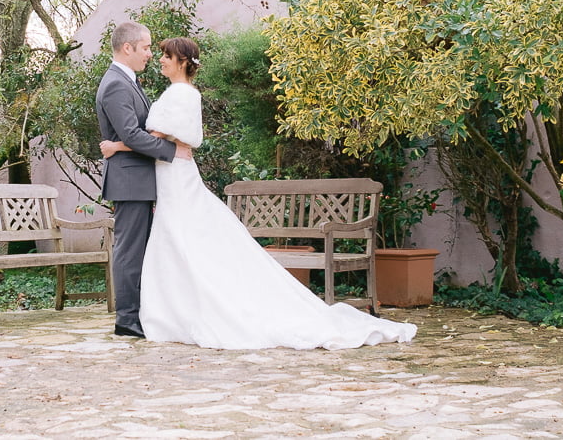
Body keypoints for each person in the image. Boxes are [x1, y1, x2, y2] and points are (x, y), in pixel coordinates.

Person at [100, 37, 417, 350]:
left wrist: (117, 145)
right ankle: (176, 311)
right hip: (170, 178)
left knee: (185, 242)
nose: (159, 58)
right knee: (179, 244)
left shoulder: (181, 94)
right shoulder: (174, 92)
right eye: (155, 52)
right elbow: (156, 136)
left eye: (166, 55)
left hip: (176, 177)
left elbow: (150, 136)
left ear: (182, 61)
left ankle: (188, 311)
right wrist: (157, 145)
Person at [96, 21, 192, 338]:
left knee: (140, 251)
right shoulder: (115, 84)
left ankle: (142, 313)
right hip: (129, 180)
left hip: (139, 178)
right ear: (128, 48)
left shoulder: (128, 82)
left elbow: (136, 134)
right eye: (147, 47)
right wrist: (172, 150)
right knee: (129, 251)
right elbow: (132, 135)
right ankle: (126, 320)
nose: (150, 54)